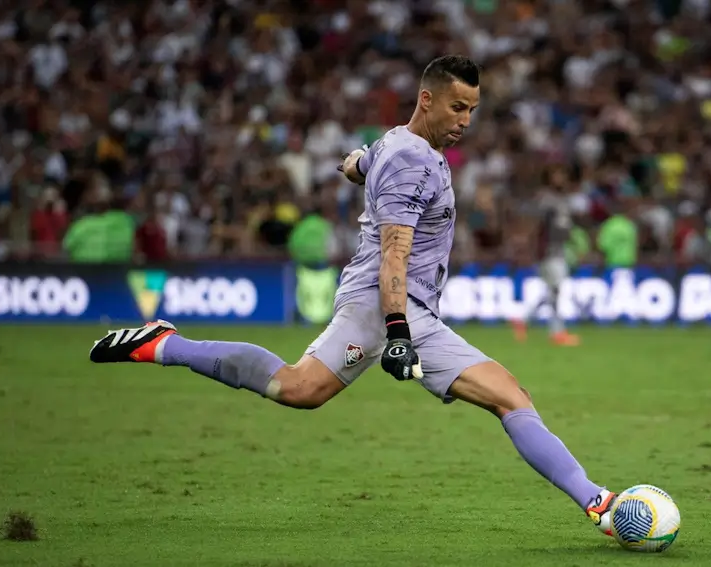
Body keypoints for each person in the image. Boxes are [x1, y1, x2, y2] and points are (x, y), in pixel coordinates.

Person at [88, 55, 619, 535]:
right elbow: (394, 254)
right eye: (458, 107)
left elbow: (358, 164)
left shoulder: (397, 143)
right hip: (381, 303)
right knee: (298, 389)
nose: (465, 121)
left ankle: (599, 504)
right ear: (426, 100)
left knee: (506, 396)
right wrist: (395, 333)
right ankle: (165, 344)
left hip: (413, 310)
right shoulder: (410, 160)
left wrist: (355, 165)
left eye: (473, 110)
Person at [511, 170, 583, 346]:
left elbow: (564, 229)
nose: (562, 179)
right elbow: (537, 227)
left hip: (559, 251)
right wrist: (532, 250)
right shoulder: (547, 202)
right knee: (556, 289)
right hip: (549, 253)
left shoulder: (562, 202)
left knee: (552, 291)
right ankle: (557, 332)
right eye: (558, 176)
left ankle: (524, 319)